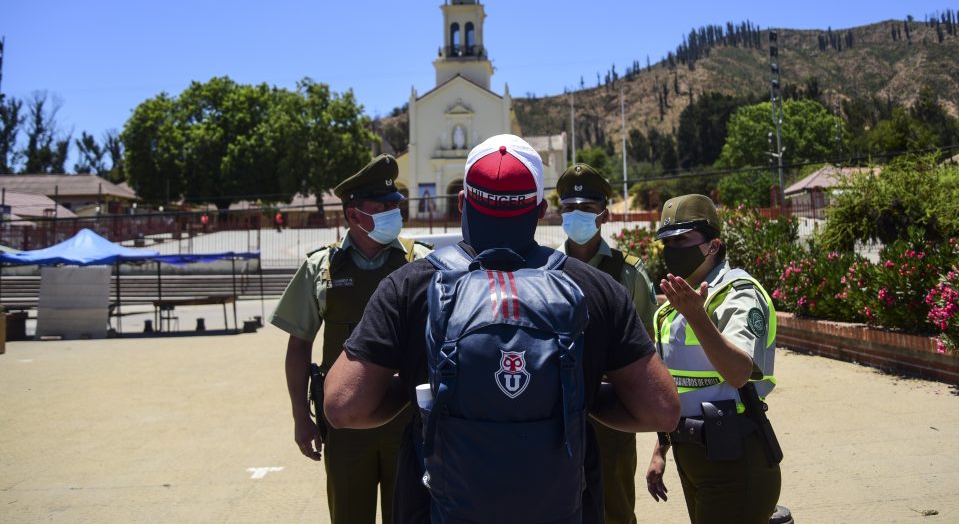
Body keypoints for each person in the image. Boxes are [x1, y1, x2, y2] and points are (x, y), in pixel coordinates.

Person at [324, 134, 679, 523]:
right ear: (542, 209)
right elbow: (660, 410)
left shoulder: (409, 286)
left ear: (462, 202)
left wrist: (421, 391)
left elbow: (344, 406)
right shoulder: (595, 289)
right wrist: (577, 395)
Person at [270, 153, 432, 524]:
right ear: (354, 214)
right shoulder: (320, 268)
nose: (395, 213)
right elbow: (298, 345)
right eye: (383, 207)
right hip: (343, 424)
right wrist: (301, 418)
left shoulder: (420, 262)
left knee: (408, 515)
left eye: (396, 205)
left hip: (407, 420)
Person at [645, 194, 783, 523]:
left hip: (735, 455)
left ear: (713, 245)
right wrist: (660, 449)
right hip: (690, 454)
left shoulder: (738, 293)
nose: (673, 250)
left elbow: (738, 373)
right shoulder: (669, 309)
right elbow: (673, 387)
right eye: (667, 241)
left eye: (683, 239)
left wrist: (697, 316)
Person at [557, 163, 658, 524]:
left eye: (586, 209)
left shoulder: (628, 272)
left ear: (604, 214)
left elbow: (649, 349)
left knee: (614, 508)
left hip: (612, 415)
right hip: (556, 414)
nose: (577, 216)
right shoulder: (544, 270)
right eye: (569, 208)